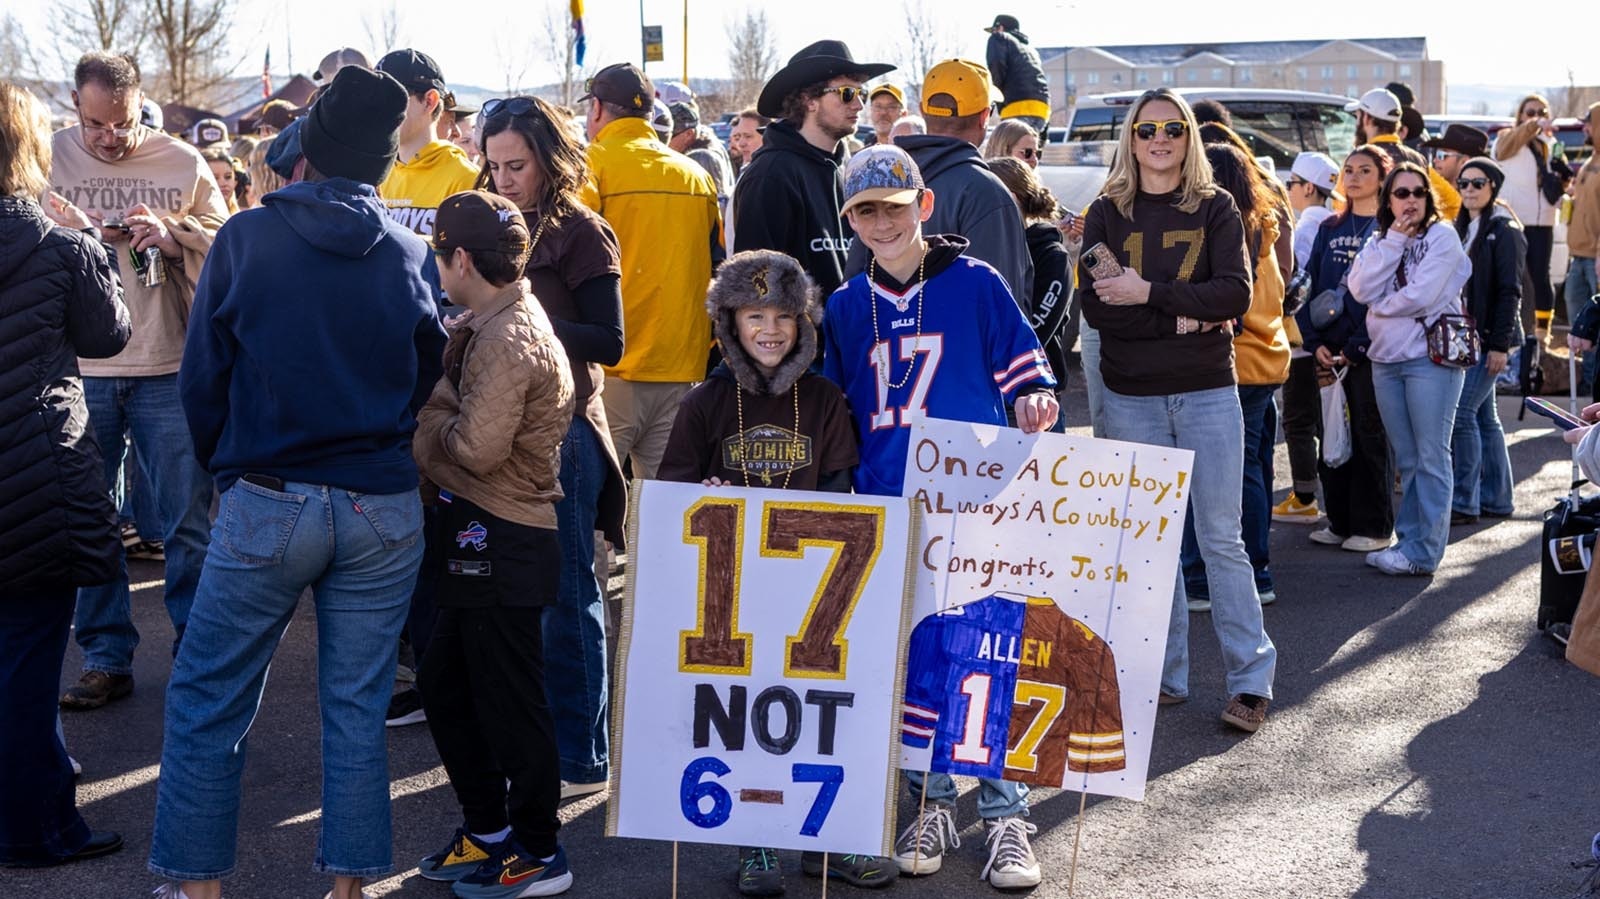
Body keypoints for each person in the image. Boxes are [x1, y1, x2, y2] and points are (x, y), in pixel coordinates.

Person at [149, 65, 446, 899]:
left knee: (209, 698)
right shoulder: (410, 250)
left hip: (271, 493)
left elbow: (202, 378)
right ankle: (349, 889)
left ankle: (198, 888)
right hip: (380, 501)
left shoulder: (247, 238)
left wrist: (229, 470)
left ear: (306, 152)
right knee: (357, 706)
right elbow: (428, 371)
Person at [823, 144, 1058, 890]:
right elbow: (831, 411)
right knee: (911, 661)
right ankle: (929, 801)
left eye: (895, 207)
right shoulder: (843, 305)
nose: (882, 222)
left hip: (975, 504)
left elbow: (1027, 369)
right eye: (866, 211)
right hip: (888, 505)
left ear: (923, 206)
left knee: (983, 652)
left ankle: (1006, 811)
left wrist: (1034, 398)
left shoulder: (977, 282)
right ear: (850, 222)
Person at [658, 250, 885, 894]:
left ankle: (826, 839)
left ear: (803, 322)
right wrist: (700, 497)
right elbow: (670, 498)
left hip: (813, 590)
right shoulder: (705, 402)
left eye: (784, 316)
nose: (770, 329)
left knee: (819, 714)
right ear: (730, 322)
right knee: (749, 716)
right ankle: (755, 838)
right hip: (731, 594)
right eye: (754, 315)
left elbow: (841, 493)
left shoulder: (825, 399)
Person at [1078, 88, 1275, 734]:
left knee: (1221, 539)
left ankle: (1251, 680)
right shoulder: (1106, 212)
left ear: (1189, 136)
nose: (1159, 139)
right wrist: (1185, 314)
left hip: (1208, 392)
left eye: (1172, 128)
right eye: (1146, 130)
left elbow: (1234, 295)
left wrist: (1146, 293)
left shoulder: (1216, 206)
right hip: (1131, 396)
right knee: (1150, 546)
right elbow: (1100, 310)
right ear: (1130, 140)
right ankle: (1165, 675)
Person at [50, 50, 228, 711]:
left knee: (186, 524)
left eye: (122, 124)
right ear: (75, 105)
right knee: (92, 526)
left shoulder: (181, 160)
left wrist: (176, 235)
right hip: (81, 370)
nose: (109, 138)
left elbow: (229, 241)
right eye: (96, 124)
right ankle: (105, 657)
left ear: (139, 106)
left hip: (168, 365)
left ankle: (195, 652)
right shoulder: (48, 157)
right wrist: (71, 235)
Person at [411, 191, 577, 898]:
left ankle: (539, 850)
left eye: (439, 256)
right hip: (485, 527)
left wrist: (430, 422)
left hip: (505, 534)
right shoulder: (496, 320)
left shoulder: (508, 335)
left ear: (461, 259)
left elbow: (476, 449)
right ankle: (489, 828)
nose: (436, 268)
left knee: (512, 702)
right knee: (446, 685)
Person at [478, 95, 626, 800]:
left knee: (566, 596)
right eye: (494, 165)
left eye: (518, 165)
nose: (504, 179)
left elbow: (611, 341)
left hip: (565, 430)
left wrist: (520, 322)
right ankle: (535, 744)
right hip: (496, 429)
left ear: (549, 158)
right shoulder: (488, 220)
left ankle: (582, 758)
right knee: (510, 598)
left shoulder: (581, 230)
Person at [0, 79, 129, 869]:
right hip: (35, 482)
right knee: (27, 664)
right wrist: (92, 243)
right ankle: (34, 830)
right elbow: (108, 335)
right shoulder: (59, 246)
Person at [582, 62, 722, 480]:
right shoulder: (696, 175)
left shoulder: (589, 166)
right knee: (668, 510)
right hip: (682, 368)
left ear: (597, 108)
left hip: (611, 371)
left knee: (593, 507)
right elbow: (717, 264)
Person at [1178, 143, 1291, 611]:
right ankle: (1258, 572)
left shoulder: (1214, 229)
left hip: (1227, 364)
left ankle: (1202, 578)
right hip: (1268, 358)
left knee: (1212, 477)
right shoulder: (1266, 226)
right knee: (1253, 470)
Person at [1347, 162, 1472, 576]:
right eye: (1401, 193)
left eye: (1419, 192)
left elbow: (1422, 295)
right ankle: (1408, 542)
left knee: (1432, 455)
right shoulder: (1381, 239)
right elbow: (1360, 288)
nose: (1411, 200)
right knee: (1408, 459)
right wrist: (1395, 242)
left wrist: (1380, 307)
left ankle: (1424, 553)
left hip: (1430, 360)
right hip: (1385, 360)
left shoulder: (1443, 236)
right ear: (1388, 200)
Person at [734, 40, 893, 297]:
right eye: (847, 93)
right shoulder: (770, 174)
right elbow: (756, 289)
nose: (859, 105)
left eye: (862, 94)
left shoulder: (846, 168)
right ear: (809, 100)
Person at [1296, 146, 1395, 555]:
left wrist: (1357, 346)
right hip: (1327, 350)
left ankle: (1374, 527)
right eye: (1348, 169)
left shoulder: (1389, 231)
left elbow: (1388, 294)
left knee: (1370, 436)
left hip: (1369, 351)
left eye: (1364, 170)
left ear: (1383, 178)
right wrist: (1315, 342)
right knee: (1331, 434)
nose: (1353, 177)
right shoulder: (1329, 227)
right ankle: (1338, 521)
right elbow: (1308, 285)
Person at [871, 59, 1032, 309]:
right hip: (963, 335)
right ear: (985, 116)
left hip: (881, 335)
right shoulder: (986, 191)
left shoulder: (881, 180)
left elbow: (856, 289)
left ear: (923, 110)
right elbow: (1001, 309)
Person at [1450, 157, 1523, 525]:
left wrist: (1499, 345)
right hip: (1466, 338)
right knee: (1484, 416)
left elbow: (1511, 291)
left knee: (1462, 414)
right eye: (1463, 183)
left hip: (1489, 339)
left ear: (1493, 187)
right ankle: (1497, 497)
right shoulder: (1462, 227)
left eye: (1478, 183)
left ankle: (1465, 501)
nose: (1469, 190)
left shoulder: (1504, 229)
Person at [1273, 150, 1341, 526]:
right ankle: (1329, 495)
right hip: (1331, 338)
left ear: (1309, 188)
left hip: (1301, 340)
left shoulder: (1305, 229)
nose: (1289, 190)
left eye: (1292, 183)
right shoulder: (1336, 225)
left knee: (1298, 420)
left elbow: (1293, 285)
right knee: (1324, 419)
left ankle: (1303, 498)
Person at [987, 156, 1075, 399]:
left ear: (1012, 198)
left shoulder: (1053, 256)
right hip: (991, 395)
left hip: (1036, 396)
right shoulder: (989, 248)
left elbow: (1035, 332)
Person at [375, 49, 480, 238]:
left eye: (391, 98)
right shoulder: (376, 178)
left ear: (429, 101)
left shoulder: (467, 179)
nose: (379, 109)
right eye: (375, 99)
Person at [1496, 93, 1572, 340]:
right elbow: (1501, 152)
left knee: (1541, 277)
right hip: (1515, 219)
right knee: (1514, 277)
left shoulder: (1551, 144)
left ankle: (1541, 333)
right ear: (1520, 115)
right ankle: (1512, 330)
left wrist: (1564, 177)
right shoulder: (1508, 137)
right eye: (1531, 112)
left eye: (1542, 113)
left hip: (1544, 220)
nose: (1537, 117)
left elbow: (1557, 185)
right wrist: (1532, 126)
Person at [1346, 88, 1456, 218]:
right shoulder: (1418, 159)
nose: (1356, 123)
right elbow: (1453, 204)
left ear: (1367, 118)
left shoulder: (1356, 160)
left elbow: (1340, 204)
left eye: (1358, 116)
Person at [1567, 104, 1600, 392]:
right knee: (1582, 329)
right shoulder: (1591, 159)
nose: (1584, 128)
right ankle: (1589, 388)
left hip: (1596, 258)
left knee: (1595, 328)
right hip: (1578, 256)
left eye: (1588, 123)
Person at [667, 99, 735, 214]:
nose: (664, 142)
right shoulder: (705, 148)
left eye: (669, 136)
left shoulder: (702, 158)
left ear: (689, 134)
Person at [983, 15, 1049, 132]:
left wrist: (993, 99)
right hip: (1042, 110)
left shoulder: (999, 38)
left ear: (1000, 27)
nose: (993, 33)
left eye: (994, 30)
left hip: (1016, 107)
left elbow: (996, 68)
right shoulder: (1030, 50)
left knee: (1010, 143)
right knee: (1029, 143)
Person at [727, 108, 767, 173]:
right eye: (739, 136)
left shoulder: (771, 171)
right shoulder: (747, 169)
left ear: (766, 136)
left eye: (748, 136)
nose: (741, 144)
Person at [201, 148, 240, 215]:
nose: (223, 183)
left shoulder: (242, 217)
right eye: (214, 178)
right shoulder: (190, 219)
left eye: (228, 177)